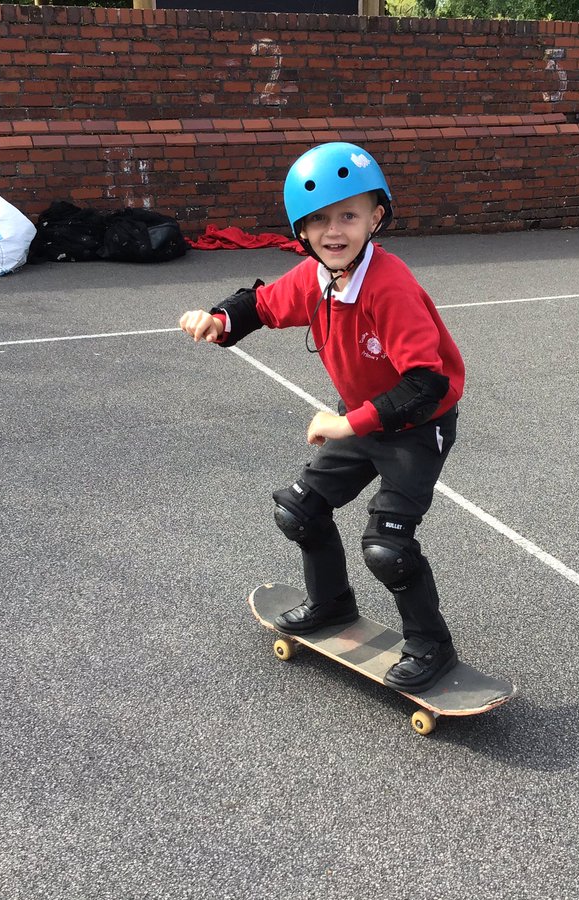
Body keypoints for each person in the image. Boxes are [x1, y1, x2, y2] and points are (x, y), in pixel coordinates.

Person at [179, 142, 465, 692]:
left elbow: (425, 386)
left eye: (349, 215)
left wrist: (347, 424)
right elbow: (259, 304)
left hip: (415, 427)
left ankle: (432, 647)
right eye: (320, 220)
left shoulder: (391, 286)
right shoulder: (315, 277)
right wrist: (218, 318)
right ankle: (332, 605)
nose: (335, 230)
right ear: (302, 230)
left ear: (376, 217)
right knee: (300, 511)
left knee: (388, 547)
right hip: (363, 420)